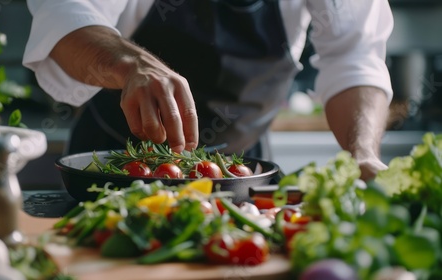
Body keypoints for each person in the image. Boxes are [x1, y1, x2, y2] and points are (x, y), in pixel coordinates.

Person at [23, 0, 394, 181]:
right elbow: (65, 16)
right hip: (115, 168)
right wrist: (131, 64)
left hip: (241, 176)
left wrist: (361, 153)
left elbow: (354, 56)